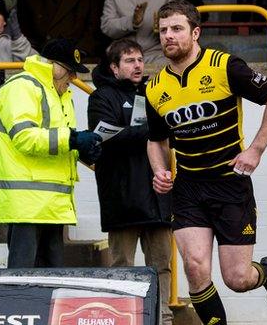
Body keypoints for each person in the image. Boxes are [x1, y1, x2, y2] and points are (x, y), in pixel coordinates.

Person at [145, 0, 267, 324]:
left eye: (177, 29)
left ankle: (266, 273)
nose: (169, 36)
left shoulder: (224, 66)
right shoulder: (155, 88)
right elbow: (155, 140)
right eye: (164, 30)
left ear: (195, 32)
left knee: (237, 278)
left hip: (229, 183)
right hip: (188, 188)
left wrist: (256, 148)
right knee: (195, 267)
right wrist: (159, 170)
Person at [0, 38, 102, 268]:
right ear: (55, 66)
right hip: (28, 205)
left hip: (51, 205)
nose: (73, 79)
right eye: (71, 72)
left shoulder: (58, 93)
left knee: (49, 281)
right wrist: (73, 139)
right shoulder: (22, 87)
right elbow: (25, 138)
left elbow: (55, 141)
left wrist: (80, 151)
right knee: (23, 281)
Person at [87, 38, 174, 324]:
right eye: (129, 60)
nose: (138, 65)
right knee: (122, 266)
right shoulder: (101, 97)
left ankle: (162, 316)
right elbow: (106, 138)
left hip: (158, 194)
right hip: (122, 195)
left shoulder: (154, 91)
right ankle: (122, 317)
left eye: (139, 59)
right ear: (114, 67)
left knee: (162, 265)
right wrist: (154, 130)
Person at [20, 0, 107, 63]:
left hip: (80, 59)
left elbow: (94, 30)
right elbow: (27, 34)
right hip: (44, 59)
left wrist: (78, 53)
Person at [101, 0, 178, 65]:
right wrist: (132, 22)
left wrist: (163, 25)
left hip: (158, 54)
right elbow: (107, 27)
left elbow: (178, 24)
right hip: (123, 53)